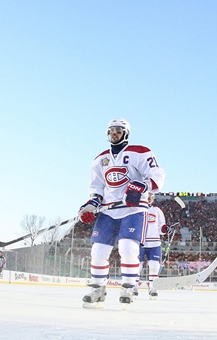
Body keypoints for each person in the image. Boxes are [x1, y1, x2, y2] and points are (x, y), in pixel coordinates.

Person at [78, 118, 165, 308]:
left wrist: (141, 186)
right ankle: (97, 289)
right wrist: (91, 205)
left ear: (126, 133)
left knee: (127, 247)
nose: (114, 133)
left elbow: (157, 175)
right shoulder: (100, 159)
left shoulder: (140, 152)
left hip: (133, 209)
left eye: (118, 130)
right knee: (98, 250)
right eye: (111, 131)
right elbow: (97, 188)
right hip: (109, 210)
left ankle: (128, 287)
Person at [134, 192, 172, 299]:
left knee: (154, 266)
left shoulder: (157, 210)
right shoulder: (136, 209)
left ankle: (152, 287)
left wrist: (165, 229)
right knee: (137, 266)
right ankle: (134, 287)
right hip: (140, 242)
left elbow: (161, 227)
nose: (149, 197)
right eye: (147, 195)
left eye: (151, 196)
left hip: (154, 243)